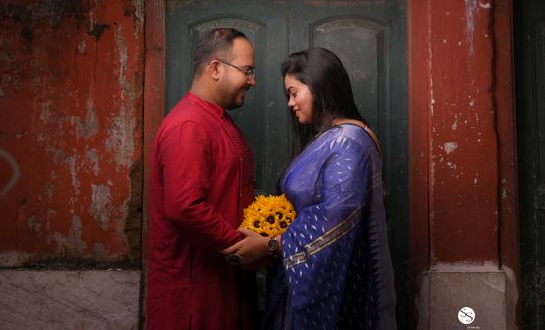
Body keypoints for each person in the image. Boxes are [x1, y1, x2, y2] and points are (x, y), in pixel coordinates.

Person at [227, 47, 397, 330]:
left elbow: (335, 218)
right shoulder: (330, 137)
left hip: (336, 285)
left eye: (294, 93)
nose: (290, 103)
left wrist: (272, 243)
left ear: (318, 86)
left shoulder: (349, 142)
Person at [147, 27, 258, 330]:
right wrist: (244, 248)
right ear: (215, 69)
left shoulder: (215, 118)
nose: (252, 80)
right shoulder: (189, 125)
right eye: (246, 70)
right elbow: (185, 207)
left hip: (225, 287)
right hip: (195, 297)